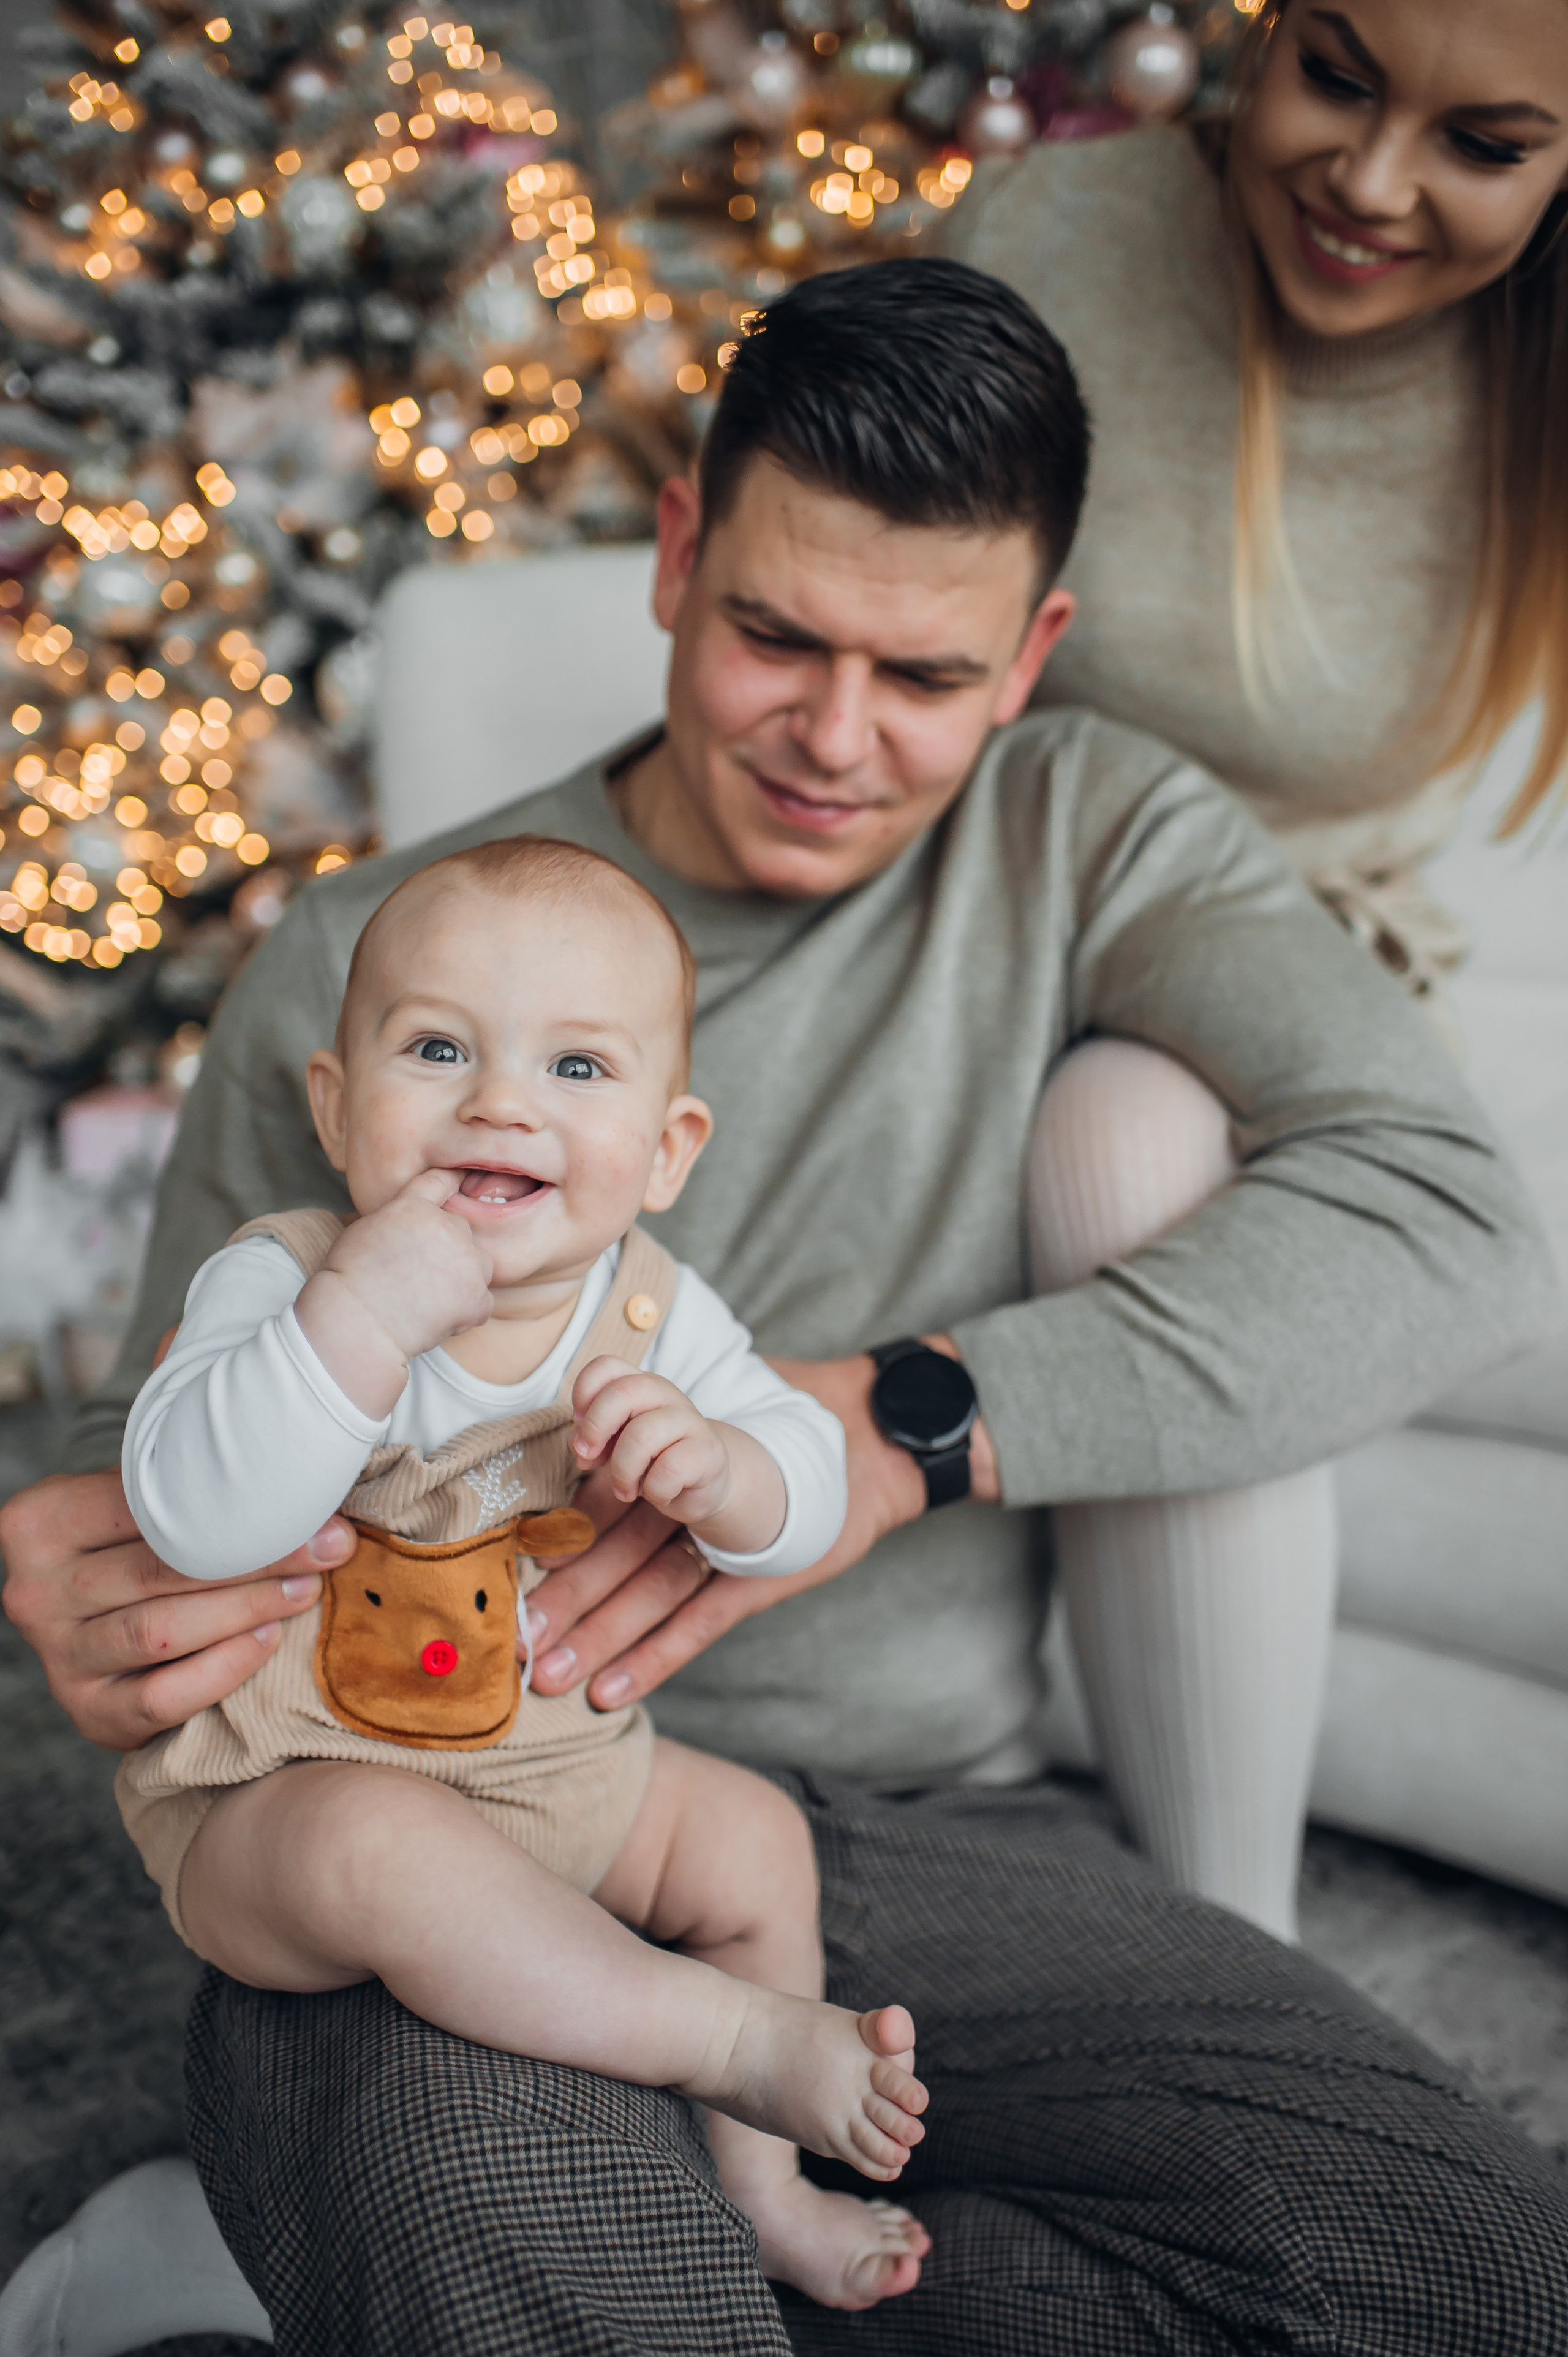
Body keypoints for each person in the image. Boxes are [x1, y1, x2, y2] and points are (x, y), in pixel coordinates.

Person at [4, 258, 1566, 2350]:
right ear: (674, 559)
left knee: (1466, 2261)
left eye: (925, 672)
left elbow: (1452, 1217)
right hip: (434, 1824)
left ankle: (295, 2255)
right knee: (584, 2291)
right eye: (772, 634)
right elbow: (183, 1461)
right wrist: (108, 1558)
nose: (838, 738)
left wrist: (906, 1420)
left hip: (903, 1816)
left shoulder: (1093, 837)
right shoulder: (394, 971)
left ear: (1035, 656)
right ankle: (428, 2225)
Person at [930, 0, 1568, 1911]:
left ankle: (1234, 1951)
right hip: (968, 904)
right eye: (1338, 78)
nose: (1368, 186)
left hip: (1284, 941)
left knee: (1124, 1156)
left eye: (1484, 145)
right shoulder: (1049, 237)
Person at [115, 832, 931, 2314]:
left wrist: (725, 1472)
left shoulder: (652, 1310)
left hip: (556, 1771)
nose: (500, 1101)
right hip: (287, 1795)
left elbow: (808, 1477)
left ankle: (761, 2191)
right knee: (375, 1847)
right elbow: (191, 1513)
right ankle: (727, 2040)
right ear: (336, 1103)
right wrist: (358, 1316)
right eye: (438, 1048)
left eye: (576, 1069)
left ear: (669, 1149)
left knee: (748, 1840)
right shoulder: (282, 1277)